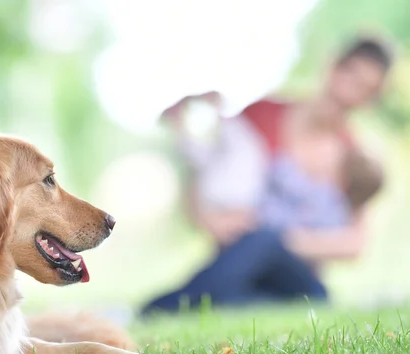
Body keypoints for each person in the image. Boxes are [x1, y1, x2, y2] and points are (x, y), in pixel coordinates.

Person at [141, 36, 394, 313]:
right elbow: (204, 175)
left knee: (267, 243)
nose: (351, 96)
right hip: (239, 264)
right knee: (232, 298)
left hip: (294, 274)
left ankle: (162, 308)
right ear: (333, 67)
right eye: (353, 80)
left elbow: (354, 244)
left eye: (366, 91)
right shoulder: (262, 116)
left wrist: (282, 238)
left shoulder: (355, 160)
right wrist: (210, 218)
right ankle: (186, 304)